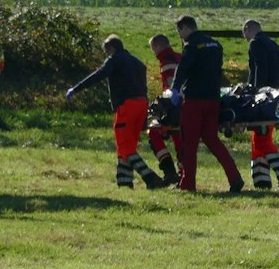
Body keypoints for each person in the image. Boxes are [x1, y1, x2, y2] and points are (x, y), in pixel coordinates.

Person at [64, 35, 165, 189]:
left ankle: (150, 178)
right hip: (141, 105)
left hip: (126, 106)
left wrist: (76, 89)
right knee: (128, 146)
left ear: (111, 48)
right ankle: (124, 182)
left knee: (125, 146)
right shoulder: (137, 63)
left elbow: (99, 75)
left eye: (106, 52)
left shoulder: (115, 60)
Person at [169, 15, 244, 192]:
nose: (181, 36)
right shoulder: (216, 45)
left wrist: (175, 89)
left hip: (194, 100)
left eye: (180, 32)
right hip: (213, 99)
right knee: (212, 139)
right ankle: (235, 177)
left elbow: (183, 69)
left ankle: (188, 184)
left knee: (190, 143)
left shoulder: (191, 45)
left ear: (185, 28)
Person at [241, 19, 279, 190]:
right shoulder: (272, 43)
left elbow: (258, 69)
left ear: (248, 29)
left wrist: (254, 92)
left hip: (266, 97)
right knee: (259, 137)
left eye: (244, 34)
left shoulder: (255, 43)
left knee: (262, 138)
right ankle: (261, 179)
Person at [145, 33, 181, 183]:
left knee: (154, 133)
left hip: (173, 107)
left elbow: (171, 85)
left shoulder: (167, 61)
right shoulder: (178, 57)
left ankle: (169, 171)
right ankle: (183, 173)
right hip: (183, 105)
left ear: (159, 46)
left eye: (154, 49)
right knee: (180, 140)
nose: (154, 53)